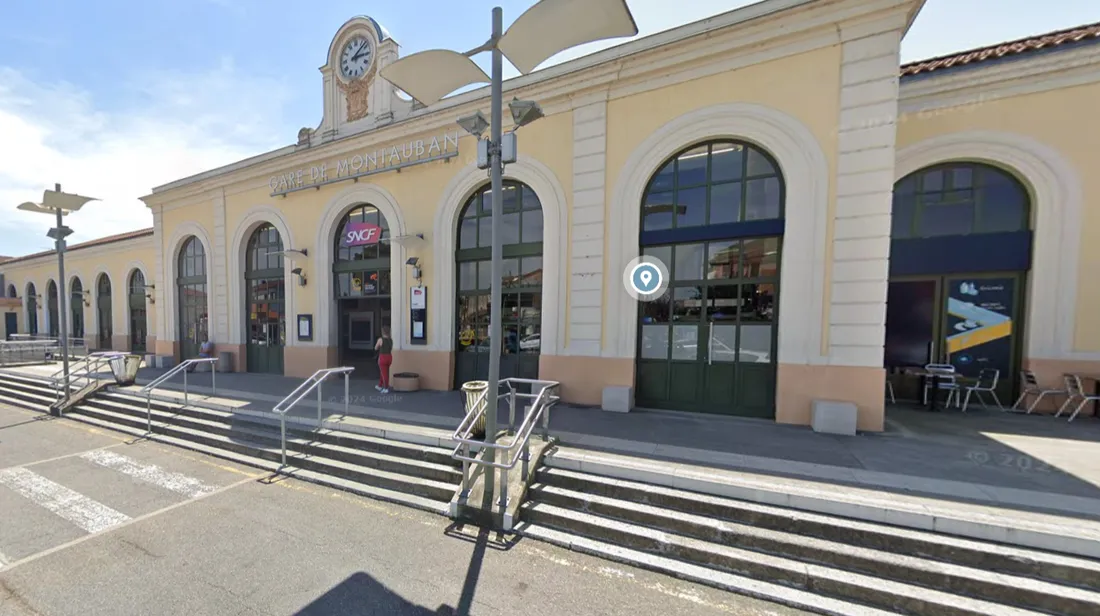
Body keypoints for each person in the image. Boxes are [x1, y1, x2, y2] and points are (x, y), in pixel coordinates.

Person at [374, 326, 393, 394]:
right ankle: (380, 385)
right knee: (384, 372)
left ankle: (385, 388)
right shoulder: (390, 340)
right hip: (389, 357)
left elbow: (376, 348)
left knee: (384, 373)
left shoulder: (380, 339)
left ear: (383, 332)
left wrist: (378, 346)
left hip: (383, 357)